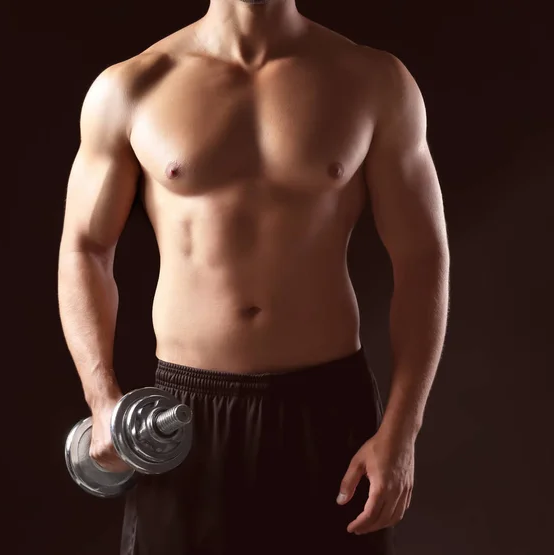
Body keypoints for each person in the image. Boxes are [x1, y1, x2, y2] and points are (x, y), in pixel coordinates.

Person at [57, 0, 450, 553]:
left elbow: (422, 258)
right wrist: (102, 401)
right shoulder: (133, 87)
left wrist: (403, 431)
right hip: (184, 418)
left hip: (327, 413)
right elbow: (85, 248)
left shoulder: (374, 82)